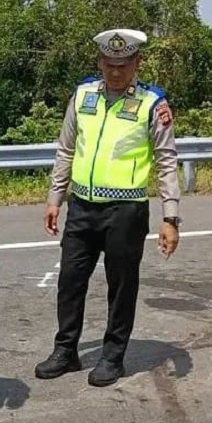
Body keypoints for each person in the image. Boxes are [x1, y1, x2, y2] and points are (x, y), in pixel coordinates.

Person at [34, 28, 181, 388]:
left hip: (125, 211)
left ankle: (113, 356)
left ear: (136, 63)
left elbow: (165, 161)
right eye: (110, 63)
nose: (116, 71)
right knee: (69, 281)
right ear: (100, 61)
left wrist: (170, 217)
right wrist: (55, 198)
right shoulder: (82, 95)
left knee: (122, 285)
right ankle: (65, 351)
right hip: (81, 207)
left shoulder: (152, 103)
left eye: (124, 63)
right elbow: (66, 149)